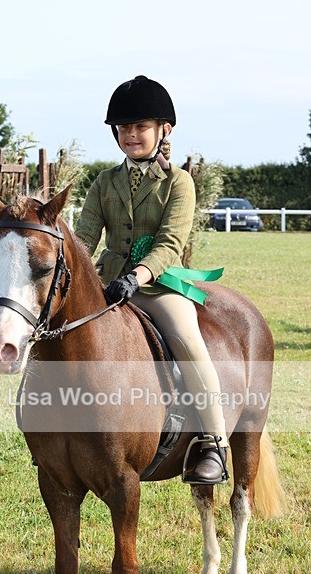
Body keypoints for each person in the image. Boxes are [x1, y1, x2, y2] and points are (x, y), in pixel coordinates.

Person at [75, 75, 228, 484]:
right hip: (107, 285)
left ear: (164, 130)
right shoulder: (103, 182)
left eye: (140, 126)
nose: (131, 135)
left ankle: (213, 443)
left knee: (187, 340)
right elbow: (83, 239)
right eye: (124, 128)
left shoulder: (179, 183)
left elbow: (171, 243)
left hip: (157, 285)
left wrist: (137, 276)